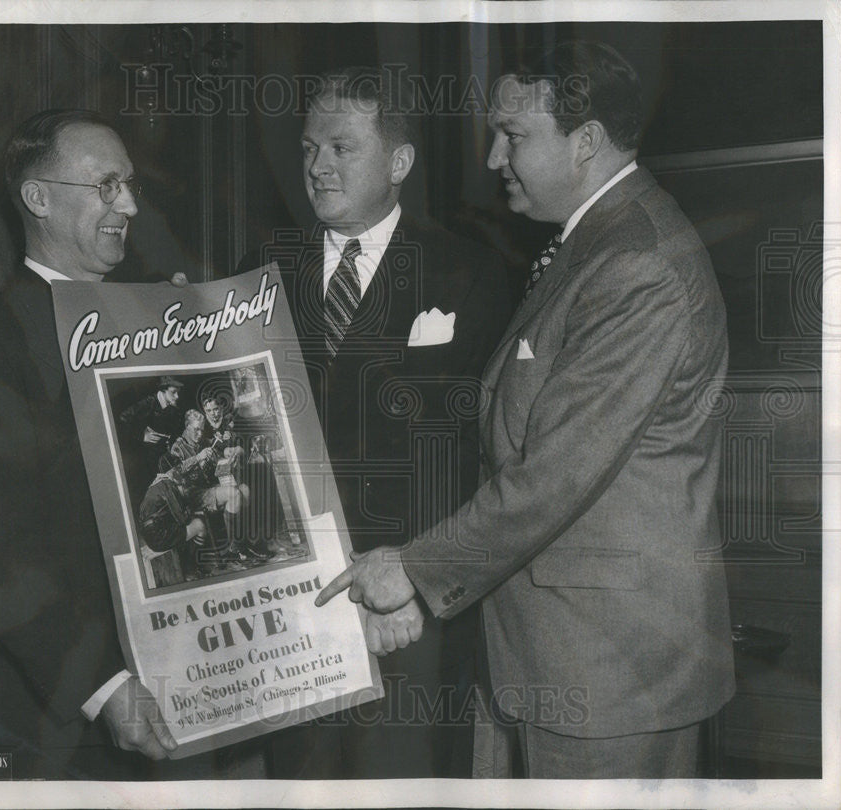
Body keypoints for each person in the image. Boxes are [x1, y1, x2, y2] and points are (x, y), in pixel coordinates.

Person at [317, 42, 736, 779]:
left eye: (513, 136)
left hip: (610, 675)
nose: (490, 159)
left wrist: (414, 567)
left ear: (586, 142)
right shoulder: (593, 243)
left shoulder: (636, 264)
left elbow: (555, 475)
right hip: (549, 657)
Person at [238, 66, 512, 778]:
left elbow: (486, 453)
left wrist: (418, 580)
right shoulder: (258, 273)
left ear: (398, 162)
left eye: (339, 147)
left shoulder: (476, 274)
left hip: (411, 611)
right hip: (294, 611)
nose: (317, 167)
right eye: (307, 148)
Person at [0, 109, 215, 778]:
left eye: (132, 185)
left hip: (183, 687)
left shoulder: (154, 322)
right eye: (108, 185)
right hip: (51, 723)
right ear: (39, 198)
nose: (132, 206)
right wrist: (107, 687)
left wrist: (199, 354)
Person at [161, 409, 254, 564]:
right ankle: (236, 549)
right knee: (234, 494)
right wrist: (198, 457)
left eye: (201, 430)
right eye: (196, 429)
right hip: (192, 495)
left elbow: (219, 457)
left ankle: (242, 543)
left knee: (244, 490)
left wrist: (230, 454)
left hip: (209, 489)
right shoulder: (177, 447)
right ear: (187, 426)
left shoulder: (203, 441)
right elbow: (173, 475)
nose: (199, 434)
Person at [138, 467, 218, 581]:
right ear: (181, 484)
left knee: (187, 526)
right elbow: (182, 519)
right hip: (158, 538)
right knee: (200, 526)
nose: (186, 491)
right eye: (186, 488)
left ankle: (188, 563)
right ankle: (191, 568)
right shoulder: (172, 491)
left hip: (149, 534)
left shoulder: (161, 483)